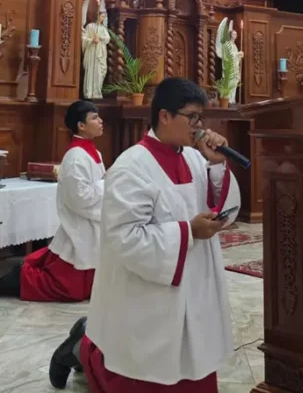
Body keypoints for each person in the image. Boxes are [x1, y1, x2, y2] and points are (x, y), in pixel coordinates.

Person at [48, 78, 240, 391]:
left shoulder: (194, 157)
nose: (199, 126)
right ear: (164, 116)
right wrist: (187, 232)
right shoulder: (131, 166)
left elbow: (219, 206)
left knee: (193, 359)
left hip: (195, 278)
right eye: (192, 117)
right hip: (152, 287)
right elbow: (125, 238)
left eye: (200, 118)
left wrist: (217, 165)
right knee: (143, 366)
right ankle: (81, 349)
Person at [0, 100, 106, 302]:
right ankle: (21, 278)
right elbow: (80, 198)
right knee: (69, 289)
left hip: (93, 222)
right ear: (81, 125)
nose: (101, 121)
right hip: (81, 222)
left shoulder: (94, 152)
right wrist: (107, 184)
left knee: (87, 286)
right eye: (94, 118)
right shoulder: (75, 157)